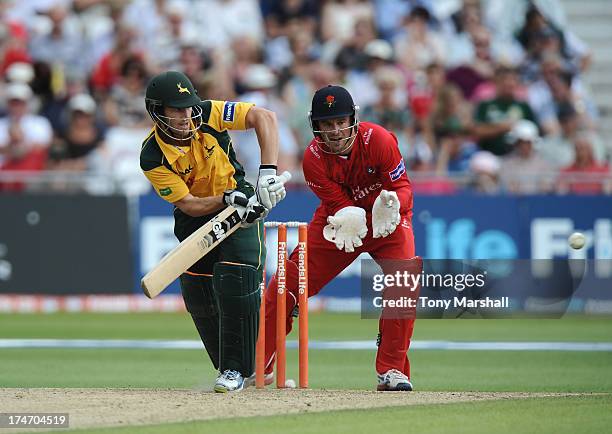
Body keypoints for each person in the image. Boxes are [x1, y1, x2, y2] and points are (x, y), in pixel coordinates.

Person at [139, 70, 291, 392]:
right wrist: (223, 199)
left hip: (241, 207)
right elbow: (189, 204)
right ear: (157, 111)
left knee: (236, 275)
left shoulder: (208, 112)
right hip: (199, 216)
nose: (186, 115)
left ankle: (236, 370)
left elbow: (264, 117)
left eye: (188, 107)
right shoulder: (152, 155)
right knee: (197, 291)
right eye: (176, 109)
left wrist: (266, 174)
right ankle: (237, 368)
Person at [263, 85, 419, 391]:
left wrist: (393, 204)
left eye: (340, 122)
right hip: (341, 223)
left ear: (353, 119)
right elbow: (339, 206)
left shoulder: (380, 140)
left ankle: (391, 371)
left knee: (404, 281)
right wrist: (351, 211)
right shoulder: (313, 159)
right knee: (285, 284)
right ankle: (259, 365)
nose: (335, 131)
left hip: (386, 220)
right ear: (316, 126)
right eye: (327, 124)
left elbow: (403, 186)